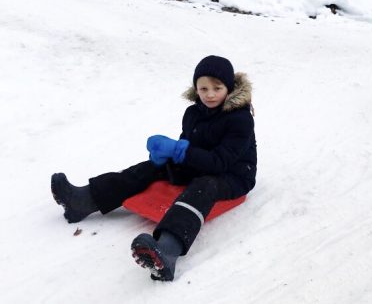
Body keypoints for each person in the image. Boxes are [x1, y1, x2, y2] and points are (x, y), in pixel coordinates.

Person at [51, 55, 257, 281]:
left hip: (233, 174)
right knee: (152, 168)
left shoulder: (240, 119)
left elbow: (220, 162)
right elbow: (187, 145)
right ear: (195, 88)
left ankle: (167, 250)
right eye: (203, 88)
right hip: (202, 164)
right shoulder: (193, 114)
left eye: (217, 88)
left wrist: (181, 151)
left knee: (205, 185)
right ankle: (83, 200)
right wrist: (167, 156)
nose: (209, 94)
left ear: (228, 88)